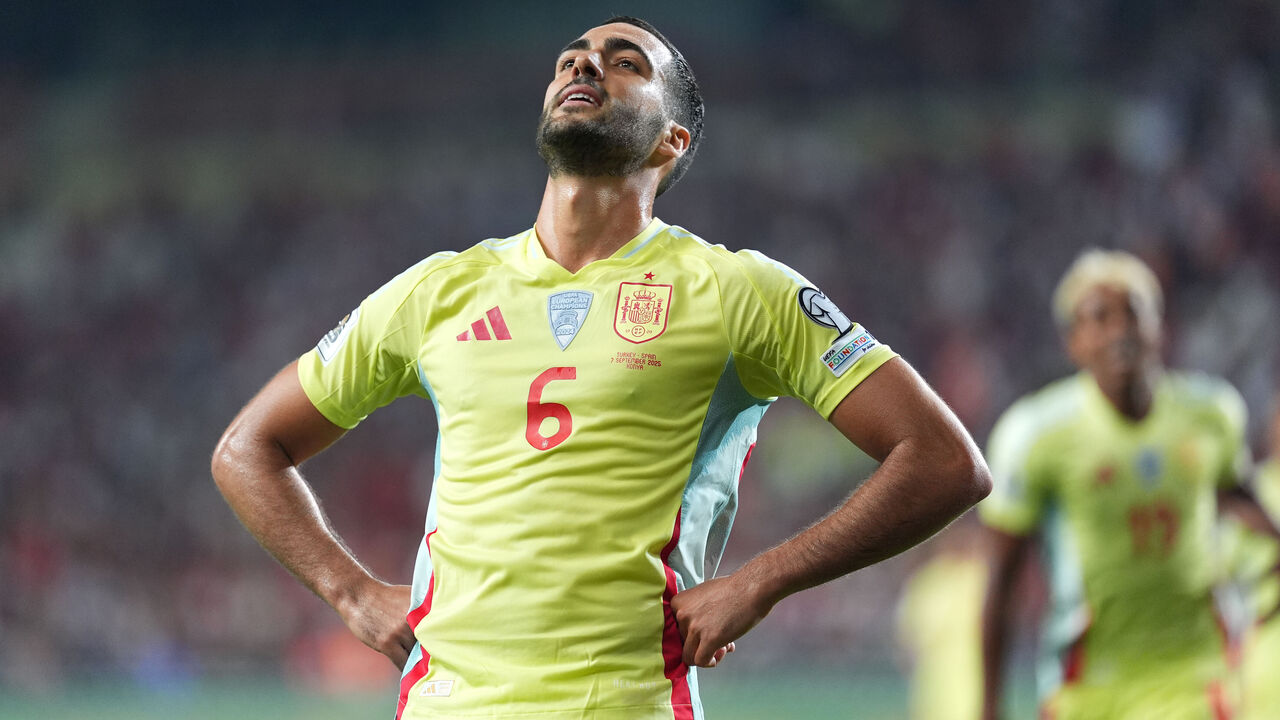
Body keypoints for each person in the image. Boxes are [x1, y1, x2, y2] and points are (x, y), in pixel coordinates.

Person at [211, 16, 991, 720]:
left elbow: (944, 461)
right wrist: (351, 592)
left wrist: (761, 582)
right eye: (571, 59)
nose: (583, 66)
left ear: (671, 140)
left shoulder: (737, 290)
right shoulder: (439, 290)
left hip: (628, 703)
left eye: (625, 63)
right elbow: (247, 450)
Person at [978, 249, 1280, 720]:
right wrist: (988, 705)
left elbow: (1237, 493)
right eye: (1100, 318)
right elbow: (1003, 582)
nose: (1120, 331)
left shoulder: (1210, 414)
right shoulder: (1036, 435)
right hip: (1083, 680)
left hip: (1191, 672)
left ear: (1160, 327)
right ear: (1073, 342)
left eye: (1134, 314)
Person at [896, 512, 987, 720]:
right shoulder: (927, 581)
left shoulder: (979, 577)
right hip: (935, 691)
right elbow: (908, 641)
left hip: (969, 691)